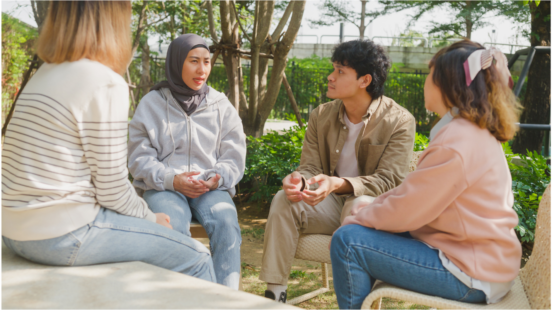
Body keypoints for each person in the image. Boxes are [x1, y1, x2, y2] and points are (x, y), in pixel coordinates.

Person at [2, 1, 215, 282]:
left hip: (12, 229)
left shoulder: (44, 74)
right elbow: (112, 189)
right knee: (197, 257)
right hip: (60, 233)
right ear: (114, 18)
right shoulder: (104, 81)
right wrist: (151, 219)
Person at [330, 40, 522, 309]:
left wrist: (362, 215)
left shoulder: (457, 141)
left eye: (431, 73)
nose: (425, 81)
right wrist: (371, 207)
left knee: (348, 242)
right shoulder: (469, 132)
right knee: (362, 221)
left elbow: (408, 210)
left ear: (446, 85)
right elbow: (413, 195)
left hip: (471, 273)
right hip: (480, 262)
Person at [260, 40, 416, 302]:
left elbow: (389, 182)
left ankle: (355, 302)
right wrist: (299, 180)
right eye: (333, 69)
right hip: (328, 205)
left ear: (364, 80)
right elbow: (310, 167)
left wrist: (337, 183)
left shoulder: (399, 121)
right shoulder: (321, 115)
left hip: (369, 212)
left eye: (340, 71)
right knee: (284, 199)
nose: (330, 77)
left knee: (356, 203)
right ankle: (275, 297)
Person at [127, 34, 246, 290]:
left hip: (209, 187)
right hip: (164, 187)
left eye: (206, 61)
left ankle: (226, 300)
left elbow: (234, 155)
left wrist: (218, 177)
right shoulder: (151, 104)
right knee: (171, 223)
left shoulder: (220, 104)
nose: (202, 69)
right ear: (177, 62)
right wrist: (172, 179)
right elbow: (138, 158)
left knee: (226, 222)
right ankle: (181, 299)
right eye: (194, 61)